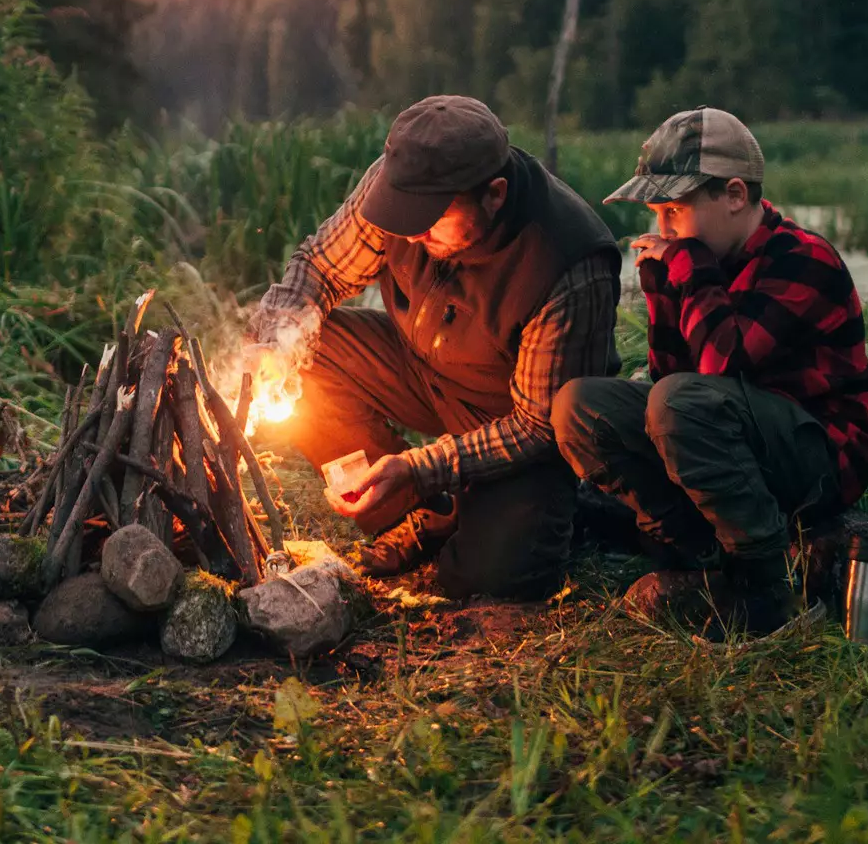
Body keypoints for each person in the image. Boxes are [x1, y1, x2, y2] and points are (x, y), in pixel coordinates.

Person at [242, 95, 622, 598]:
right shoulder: (401, 192)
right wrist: (276, 340)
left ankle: (576, 508)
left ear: (494, 194)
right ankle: (425, 512)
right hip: (421, 368)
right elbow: (318, 266)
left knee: (491, 577)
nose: (412, 231)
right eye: (406, 213)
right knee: (310, 354)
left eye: (432, 218)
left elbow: (536, 428)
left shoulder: (565, 262)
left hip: (514, 420)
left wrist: (422, 467)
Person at [550, 106, 868, 636]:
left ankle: (766, 584)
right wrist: (661, 287)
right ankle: (691, 551)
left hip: (821, 457)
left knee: (682, 402)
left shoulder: (802, 258)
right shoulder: (702, 257)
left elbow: (720, 368)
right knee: (580, 406)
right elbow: (670, 377)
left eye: (675, 210)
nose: (663, 229)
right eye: (657, 213)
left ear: (734, 196)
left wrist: (686, 265)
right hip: (737, 437)